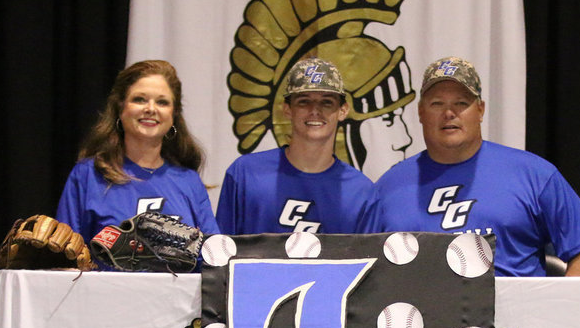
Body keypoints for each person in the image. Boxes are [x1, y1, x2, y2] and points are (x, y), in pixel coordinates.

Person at [359, 57, 580, 276]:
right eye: (437, 103)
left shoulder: (533, 174)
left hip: (511, 324)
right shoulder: (388, 187)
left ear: (480, 110)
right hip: (420, 323)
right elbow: (363, 264)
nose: (449, 113)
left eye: (461, 103)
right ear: (421, 112)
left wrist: (558, 313)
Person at [57, 59, 219, 244]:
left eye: (162, 102)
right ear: (120, 107)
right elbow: (66, 260)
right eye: (139, 99)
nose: (150, 109)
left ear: (174, 114)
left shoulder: (189, 181)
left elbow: (212, 257)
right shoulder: (88, 175)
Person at [216, 57, 374, 234]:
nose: (315, 111)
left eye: (327, 102)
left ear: (343, 111)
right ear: (287, 109)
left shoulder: (361, 192)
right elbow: (220, 254)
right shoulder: (246, 174)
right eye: (304, 101)